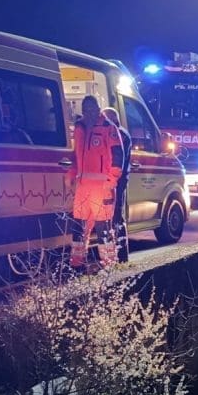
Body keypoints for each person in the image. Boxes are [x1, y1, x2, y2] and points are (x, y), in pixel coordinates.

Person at [67, 96, 124, 268]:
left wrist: (111, 180)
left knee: (103, 228)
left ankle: (108, 265)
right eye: (86, 109)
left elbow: (117, 156)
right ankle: (77, 263)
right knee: (79, 227)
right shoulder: (79, 127)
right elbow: (75, 154)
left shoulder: (108, 128)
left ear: (98, 108)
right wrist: (71, 174)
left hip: (102, 187)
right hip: (83, 186)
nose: (89, 112)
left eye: (92, 108)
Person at [107, 107, 132, 263]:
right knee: (114, 216)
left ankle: (121, 255)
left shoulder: (120, 134)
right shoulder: (120, 132)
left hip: (118, 181)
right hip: (117, 180)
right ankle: (117, 254)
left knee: (117, 217)